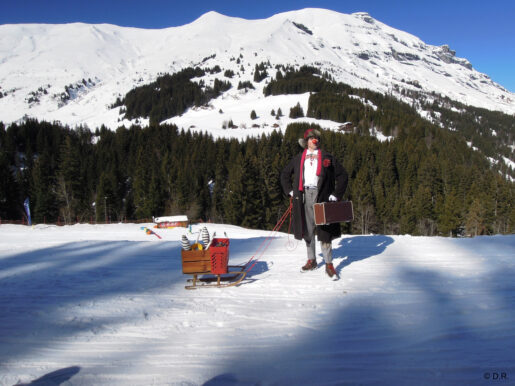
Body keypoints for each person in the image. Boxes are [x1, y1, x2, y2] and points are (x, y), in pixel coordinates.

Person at [281, 128, 348, 278]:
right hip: (304, 196)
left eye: (316, 138)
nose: (314, 140)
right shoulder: (299, 158)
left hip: (322, 196)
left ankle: (329, 264)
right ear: (306, 142)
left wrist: (336, 195)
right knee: (308, 230)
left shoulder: (327, 157)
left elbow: (343, 175)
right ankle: (312, 260)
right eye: (311, 138)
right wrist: (290, 191)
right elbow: (285, 174)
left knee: (325, 231)